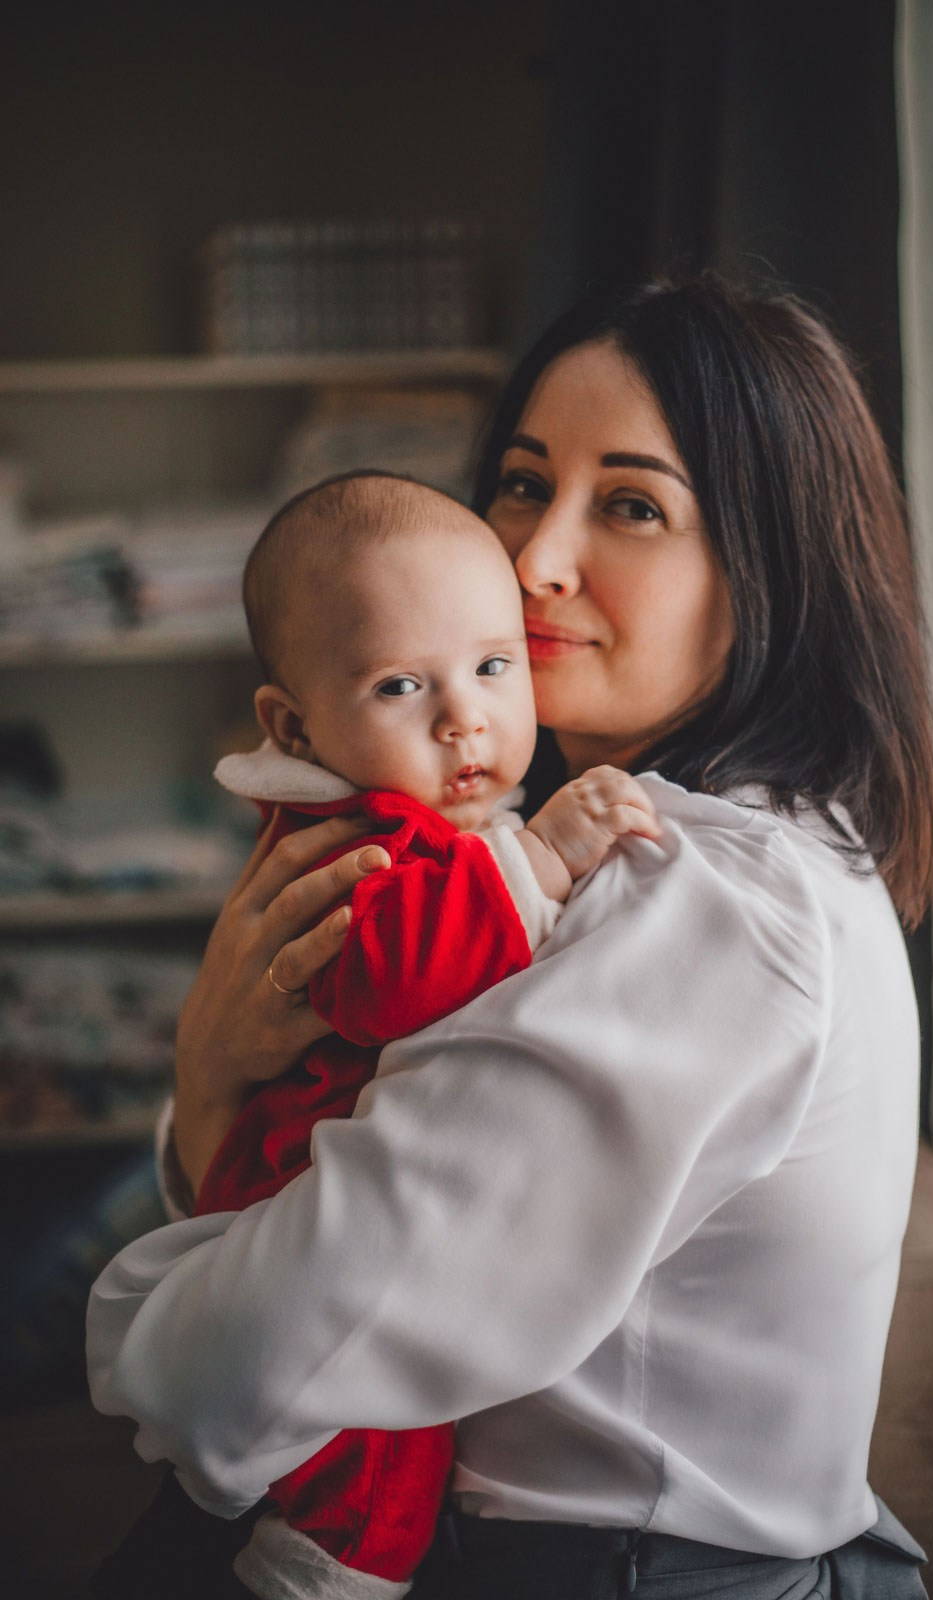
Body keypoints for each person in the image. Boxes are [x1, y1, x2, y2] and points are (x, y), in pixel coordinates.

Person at [87, 274, 933, 1600]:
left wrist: (155, 1264)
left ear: (767, 567)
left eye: (629, 505)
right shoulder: (622, 829)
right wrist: (213, 1081)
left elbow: (250, 1360)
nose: (533, 561)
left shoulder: (697, 887)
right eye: (520, 482)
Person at [140, 470, 661, 1600]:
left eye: (491, 666)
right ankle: (321, 1572)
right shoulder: (350, 837)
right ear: (293, 723)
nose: (463, 716)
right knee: (377, 1442)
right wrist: (541, 858)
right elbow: (390, 975)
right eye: (397, 684)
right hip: (288, 1181)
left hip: (289, 1168)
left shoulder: (421, 796)